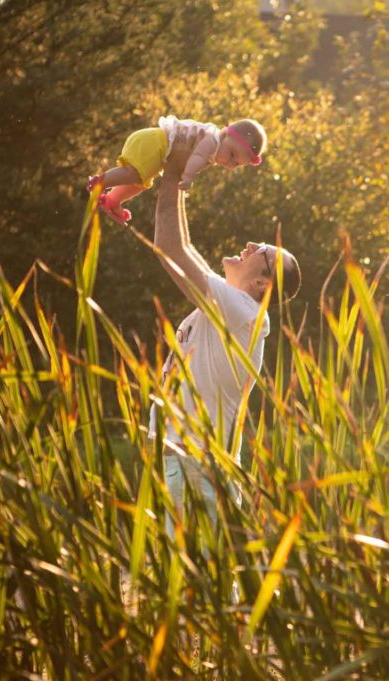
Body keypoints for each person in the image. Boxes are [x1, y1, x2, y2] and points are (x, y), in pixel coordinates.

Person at [145, 132, 300, 537]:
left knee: (193, 581)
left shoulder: (246, 315)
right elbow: (184, 247)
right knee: (190, 583)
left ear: (264, 284)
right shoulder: (227, 308)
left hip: (199, 464)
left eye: (262, 250)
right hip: (185, 461)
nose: (250, 244)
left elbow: (169, 248)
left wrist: (175, 166)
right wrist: (174, 172)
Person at [89, 115, 266, 225]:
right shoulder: (212, 140)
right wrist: (188, 177)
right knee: (132, 174)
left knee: (139, 183)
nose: (230, 162)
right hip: (155, 142)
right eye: (232, 154)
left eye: (236, 164)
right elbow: (196, 157)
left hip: (158, 152)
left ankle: (112, 200)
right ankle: (100, 181)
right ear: (225, 134)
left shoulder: (217, 149)